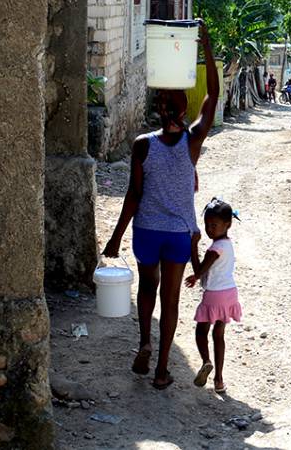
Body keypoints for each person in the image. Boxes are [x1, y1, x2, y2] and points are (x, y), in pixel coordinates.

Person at [102, 20, 219, 390]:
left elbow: (133, 196)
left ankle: (144, 343)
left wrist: (115, 237)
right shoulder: (193, 140)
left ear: (158, 109)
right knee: (171, 301)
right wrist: (207, 48)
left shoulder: (141, 144)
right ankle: (163, 369)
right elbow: (212, 95)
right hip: (177, 234)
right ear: (184, 111)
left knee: (146, 289)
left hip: (147, 231)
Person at [186, 197, 242, 394]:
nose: (210, 229)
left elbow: (199, 270)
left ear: (228, 225)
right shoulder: (228, 244)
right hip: (230, 294)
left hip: (214, 295)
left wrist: (193, 247)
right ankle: (219, 380)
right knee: (219, 335)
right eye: (207, 225)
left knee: (201, 331)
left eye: (214, 225)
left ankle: (206, 361)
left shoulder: (213, 250)